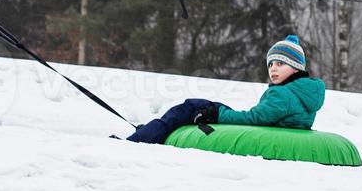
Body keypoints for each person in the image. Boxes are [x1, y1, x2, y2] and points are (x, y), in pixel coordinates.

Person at [124, 36, 326, 145]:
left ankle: (139, 139)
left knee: (190, 107)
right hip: (275, 132)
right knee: (196, 109)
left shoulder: (281, 94)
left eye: (280, 63)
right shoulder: (305, 95)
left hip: (261, 132)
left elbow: (254, 119)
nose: (273, 68)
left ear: (297, 67)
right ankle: (150, 131)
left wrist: (217, 113)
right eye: (271, 64)